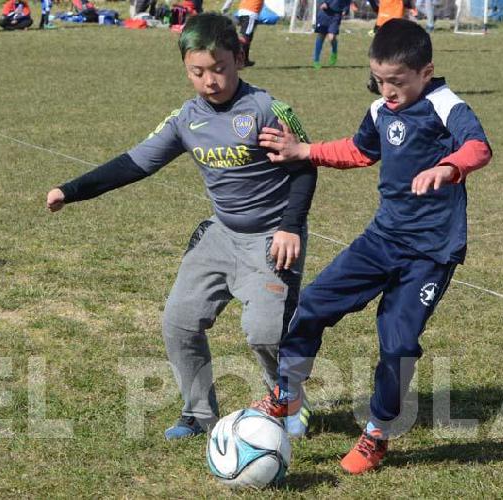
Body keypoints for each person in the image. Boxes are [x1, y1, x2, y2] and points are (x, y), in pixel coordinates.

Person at [45, 13, 319, 441]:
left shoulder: (267, 109)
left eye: (219, 69)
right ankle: (198, 413)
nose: (210, 80)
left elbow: (304, 169)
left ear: (239, 59)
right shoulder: (185, 120)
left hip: (272, 237)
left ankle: (287, 400)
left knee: (266, 333)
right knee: (179, 321)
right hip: (220, 234)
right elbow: (134, 163)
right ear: (186, 69)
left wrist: (289, 226)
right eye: (198, 71)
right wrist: (72, 190)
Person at [250, 19, 493, 475]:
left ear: (426, 71)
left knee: (398, 344)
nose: (387, 91)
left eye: (397, 82)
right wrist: (304, 151)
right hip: (381, 240)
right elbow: (360, 151)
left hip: (430, 255)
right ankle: (287, 395)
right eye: (379, 80)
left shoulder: (445, 105)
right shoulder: (381, 109)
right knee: (313, 304)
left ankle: (377, 433)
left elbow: (479, 147)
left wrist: (449, 168)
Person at [220, 0, 264, 67]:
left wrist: (225, 7)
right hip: (251, 13)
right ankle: (234, 58)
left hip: (243, 12)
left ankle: (245, 60)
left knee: (248, 38)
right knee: (245, 39)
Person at [313, 0, 351, 69]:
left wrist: (346, 9)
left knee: (331, 37)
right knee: (321, 35)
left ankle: (334, 52)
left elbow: (348, 2)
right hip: (324, 13)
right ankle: (316, 60)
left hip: (336, 15)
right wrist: (323, 3)